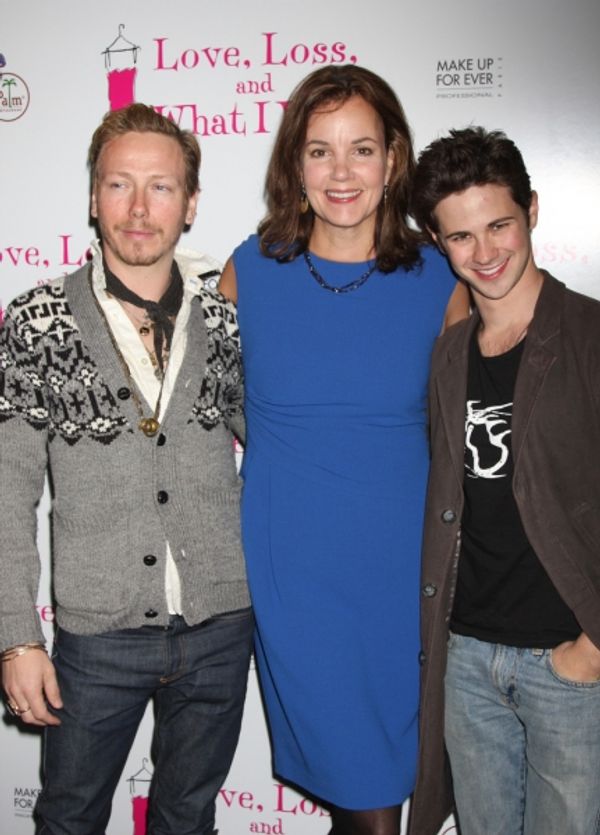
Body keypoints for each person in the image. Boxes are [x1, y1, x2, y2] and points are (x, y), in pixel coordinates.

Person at [219, 65, 467, 835]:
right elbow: (213, 409)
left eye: (361, 149)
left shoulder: (441, 279)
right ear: (295, 162)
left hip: (403, 578)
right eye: (320, 150)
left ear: (394, 159)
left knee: (386, 792)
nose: (341, 172)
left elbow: (465, 436)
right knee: (371, 808)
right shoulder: (248, 271)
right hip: (296, 575)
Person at [0, 103, 253, 835]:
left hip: (219, 625)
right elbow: (7, 489)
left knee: (187, 817)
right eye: (119, 185)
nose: (139, 209)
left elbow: (281, 444)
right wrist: (18, 637)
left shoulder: (227, 317)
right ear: (92, 197)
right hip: (96, 637)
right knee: (69, 816)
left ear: (192, 203)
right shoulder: (36, 320)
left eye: (162, 188)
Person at [409, 126, 600, 835]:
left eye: (499, 225)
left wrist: (593, 646)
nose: (485, 253)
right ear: (437, 239)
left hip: (570, 662)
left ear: (533, 211)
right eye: (461, 237)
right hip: (468, 658)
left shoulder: (588, 336)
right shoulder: (449, 354)